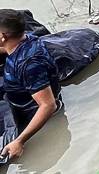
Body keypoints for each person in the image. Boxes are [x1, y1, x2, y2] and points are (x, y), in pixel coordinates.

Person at [0, 10, 62, 161]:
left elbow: (48, 105)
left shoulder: (28, 65)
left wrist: (19, 141)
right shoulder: (28, 39)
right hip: (19, 91)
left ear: (2, 37)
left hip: (31, 112)